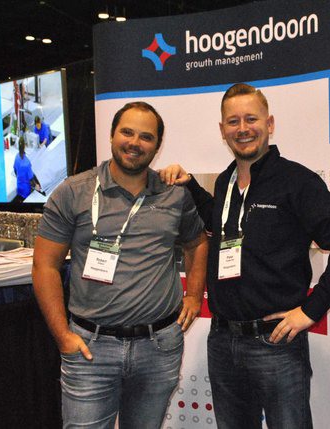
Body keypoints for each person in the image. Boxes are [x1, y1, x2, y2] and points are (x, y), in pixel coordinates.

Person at [160, 83, 330, 428]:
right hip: (223, 340)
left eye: (251, 119)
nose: (243, 129)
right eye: (233, 121)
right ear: (222, 130)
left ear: (269, 124)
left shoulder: (297, 181)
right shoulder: (226, 182)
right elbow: (222, 223)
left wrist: (311, 310)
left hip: (276, 344)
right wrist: (190, 184)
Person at [32, 101, 208, 429]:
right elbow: (45, 266)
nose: (135, 142)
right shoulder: (73, 192)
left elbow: (197, 243)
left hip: (158, 348)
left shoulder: (174, 194)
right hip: (90, 349)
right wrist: (62, 336)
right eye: (127, 132)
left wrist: (195, 296)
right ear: (112, 135)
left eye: (146, 137)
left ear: (157, 145)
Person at [12, 136, 42, 203]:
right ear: (25, 146)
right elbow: (31, 179)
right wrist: (36, 185)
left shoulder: (17, 156)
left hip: (19, 186)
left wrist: (21, 177)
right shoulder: (27, 163)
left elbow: (15, 170)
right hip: (26, 190)